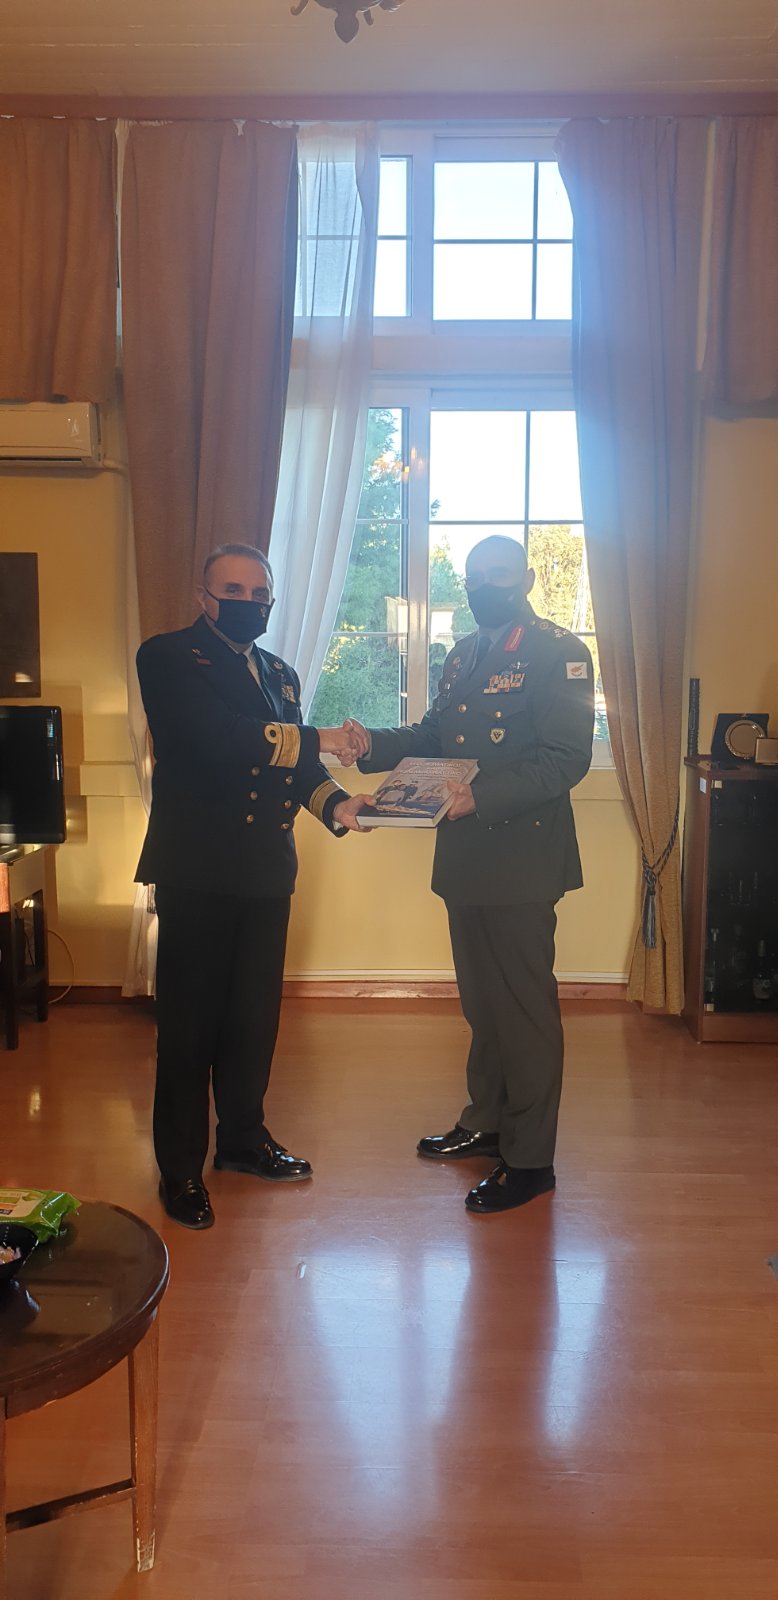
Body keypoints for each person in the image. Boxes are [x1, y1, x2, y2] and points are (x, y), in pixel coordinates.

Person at [344, 535, 594, 1215]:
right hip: (465, 860)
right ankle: (486, 1121)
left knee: (524, 1012)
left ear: (528, 579)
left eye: (499, 575)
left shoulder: (560, 653)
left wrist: (480, 797)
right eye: (475, 577)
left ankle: (530, 1159)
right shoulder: (464, 654)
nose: (485, 586)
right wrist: (372, 745)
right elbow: (434, 736)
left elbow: (565, 757)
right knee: (483, 1005)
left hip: (521, 860)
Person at [135, 543, 371, 1230]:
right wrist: (320, 737)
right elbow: (221, 737)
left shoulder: (279, 673)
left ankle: (242, 1140)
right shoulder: (169, 656)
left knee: (252, 1020)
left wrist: (338, 805)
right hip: (198, 870)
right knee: (189, 1026)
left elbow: (291, 768)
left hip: (266, 871)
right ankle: (180, 1168)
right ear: (203, 596)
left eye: (258, 592)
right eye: (232, 590)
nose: (247, 602)